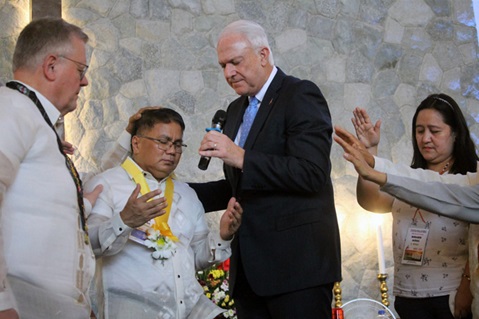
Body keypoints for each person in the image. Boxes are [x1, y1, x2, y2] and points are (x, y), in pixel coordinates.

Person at [189, 20, 341, 318]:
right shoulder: (236, 110)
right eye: (222, 66)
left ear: (263, 54)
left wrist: (241, 157)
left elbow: (311, 172)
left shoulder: (300, 95)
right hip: (249, 275)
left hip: (298, 271)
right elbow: (242, 186)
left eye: (235, 62)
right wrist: (176, 191)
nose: (228, 73)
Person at [84, 108, 243, 319]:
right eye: (163, 141)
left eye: (177, 144)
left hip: (190, 307)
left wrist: (223, 236)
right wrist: (124, 220)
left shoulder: (186, 194)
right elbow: (88, 246)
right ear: (136, 143)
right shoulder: (106, 184)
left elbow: (196, 259)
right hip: (134, 308)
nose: (171, 151)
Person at [0, 17, 106, 319]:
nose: (84, 82)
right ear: (51, 66)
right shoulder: (13, 107)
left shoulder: (38, 121)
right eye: (81, 71)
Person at [349, 94, 477, 319]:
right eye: (419, 131)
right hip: (407, 295)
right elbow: (370, 201)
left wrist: (466, 288)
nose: (425, 138)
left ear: (455, 133)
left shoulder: (470, 179)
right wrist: (370, 151)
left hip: (450, 294)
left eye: (434, 131)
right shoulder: (404, 178)